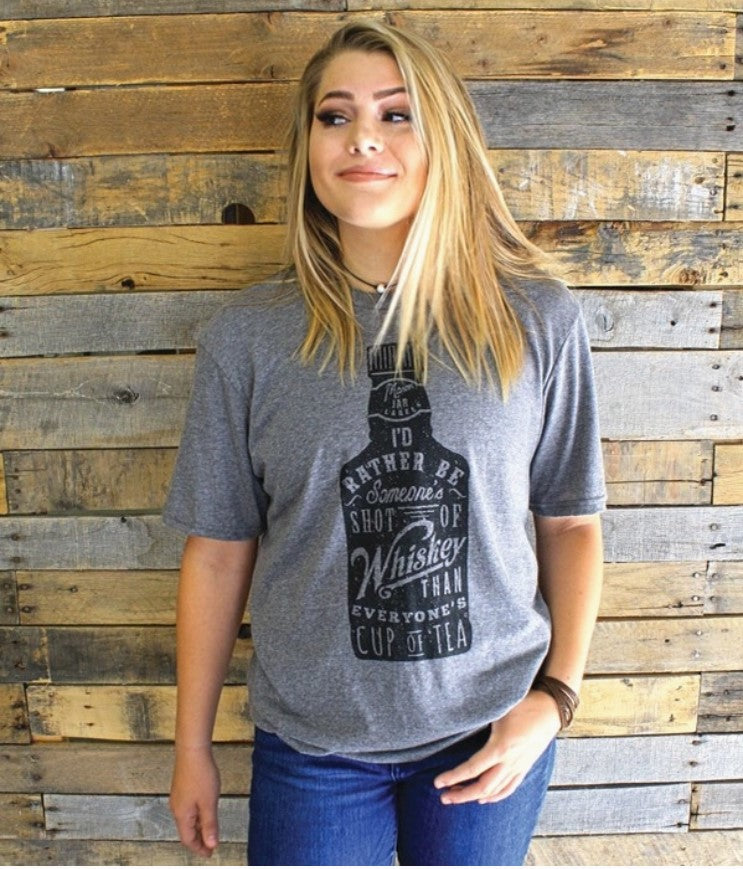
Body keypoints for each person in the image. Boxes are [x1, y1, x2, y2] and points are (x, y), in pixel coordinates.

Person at [163, 19, 605, 867]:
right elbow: (218, 548)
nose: (362, 137)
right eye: (335, 116)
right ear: (308, 147)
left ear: (445, 138)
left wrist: (554, 697)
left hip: (489, 727)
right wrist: (192, 745)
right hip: (313, 744)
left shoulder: (534, 321)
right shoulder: (250, 337)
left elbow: (570, 521)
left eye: (396, 114)